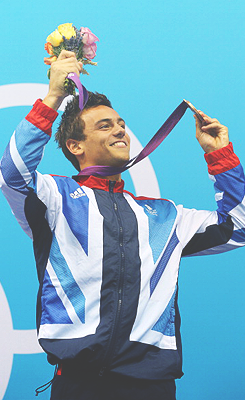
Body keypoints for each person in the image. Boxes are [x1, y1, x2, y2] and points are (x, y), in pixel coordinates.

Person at [1, 50, 245, 400]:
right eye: (105, 125)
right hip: (78, 384)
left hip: (151, 385)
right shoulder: (55, 197)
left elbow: (238, 225)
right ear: (75, 145)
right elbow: (12, 173)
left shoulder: (166, 216)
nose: (119, 130)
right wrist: (53, 98)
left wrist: (220, 155)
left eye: (120, 125)